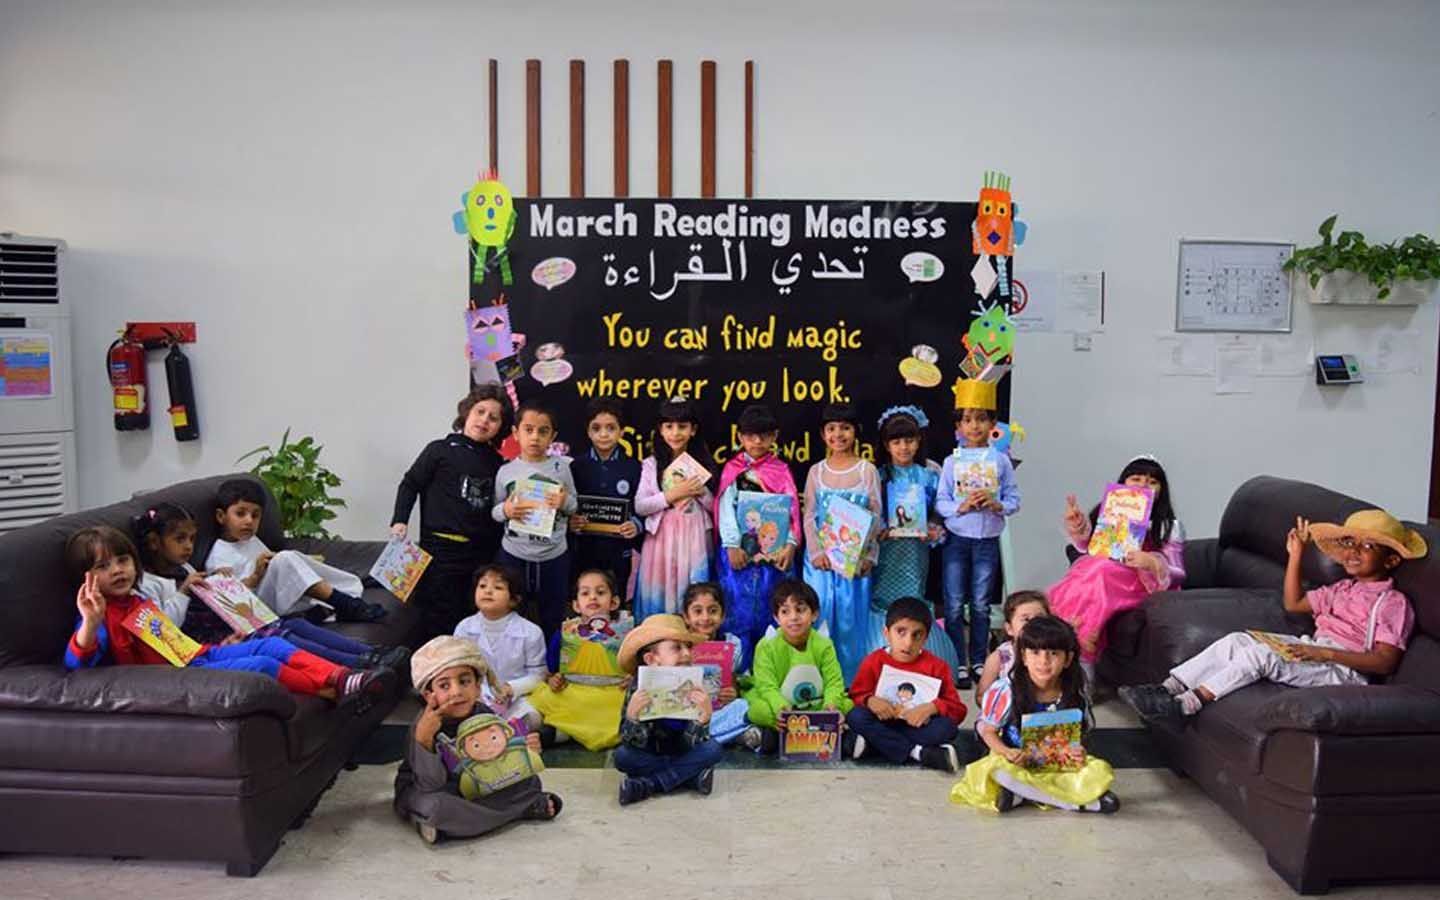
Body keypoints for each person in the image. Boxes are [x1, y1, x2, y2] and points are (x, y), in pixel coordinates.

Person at [1122, 510, 1422, 721]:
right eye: (1350, 543)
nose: (1354, 551)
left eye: (1367, 546)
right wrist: (1296, 555)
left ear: (1391, 560)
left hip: (1345, 670)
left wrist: (1323, 654)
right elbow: (1294, 603)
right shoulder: (1342, 588)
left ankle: (1187, 705)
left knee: (1260, 656)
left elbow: (1385, 661)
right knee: (1238, 640)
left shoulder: (1392, 602)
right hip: (1315, 650)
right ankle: (1167, 689)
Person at [63, 525, 392, 702]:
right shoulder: (98, 615)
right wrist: (90, 624)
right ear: (85, 577)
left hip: (196, 656)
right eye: (103, 566)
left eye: (123, 560)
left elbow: (172, 642)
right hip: (171, 679)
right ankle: (331, 689)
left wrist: (221, 645)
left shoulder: (137, 600)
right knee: (262, 665)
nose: (117, 570)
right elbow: (76, 665)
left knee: (273, 644)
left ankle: (342, 676)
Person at [133, 502, 404, 670]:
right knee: (280, 637)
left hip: (235, 621)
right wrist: (184, 592)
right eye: (180, 539)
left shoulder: (185, 568)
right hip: (211, 641)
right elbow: (164, 630)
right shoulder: (148, 584)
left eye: (192, 539)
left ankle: (369, 652)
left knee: (294, 624)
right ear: (155, 542)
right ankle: (357, 663)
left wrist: (216, 580)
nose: (189, 547)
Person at [395, 636, 561, 844]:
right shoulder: (424, 725)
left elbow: (503, 758)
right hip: (438, 788)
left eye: (464, 682)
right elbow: (430, 784)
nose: (457, 692)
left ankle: (462, 824)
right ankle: (519, 810)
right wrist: (425, 739)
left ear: (477, 687)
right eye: (444, 686)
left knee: (530, 781)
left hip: (480, 783)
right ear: (429, 695)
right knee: (435, 806)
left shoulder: (483, 713)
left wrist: (525, 748)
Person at [950, 615, 1119, 814]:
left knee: (1099, 769)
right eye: (1035, 652)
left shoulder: (1074, 693)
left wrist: (1077, 751)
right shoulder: (1006, 690)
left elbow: (1077, 734)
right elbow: (988, 731)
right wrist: (1007, 751)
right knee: (996, 770)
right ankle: (1076, 803)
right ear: (1023, 657)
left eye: (1053, 653)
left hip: (1056, 764)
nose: (1044, 661)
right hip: (1016, 760)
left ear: (1068, 659)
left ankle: (1021, 794)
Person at [1047, 454, 1183, 682]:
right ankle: (1063, 643)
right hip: (1104, 573)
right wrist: (1078, 526)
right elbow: (1089, 549)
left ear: (1161, 489)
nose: (1143, 485)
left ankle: (1083, 658)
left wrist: (1152, 562)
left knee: (1100, 571)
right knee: (1089, 573)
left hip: (1142, 583)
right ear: (1123, 482)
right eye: (1136, 479)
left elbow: (1179, 573)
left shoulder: (1169, 526)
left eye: (1152, 481)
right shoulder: (1110, 512)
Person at [392, 384, 511, 641]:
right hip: (439, 552)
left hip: (480, 555)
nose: (484, 420)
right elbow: (410, 484)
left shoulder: (498, 464)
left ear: (500, 427)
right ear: (467, 412)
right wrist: (400, 521)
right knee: (437, 620)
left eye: (493, 418)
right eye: (480, 412)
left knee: (472, 620)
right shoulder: (439, 450)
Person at [935, 380, 1020, 690]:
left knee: (982, 604)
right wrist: (961, 507)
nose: (974, 426)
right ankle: (958, 660)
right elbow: (941, 502)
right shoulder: (951, 462)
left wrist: (997, 505)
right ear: (958, 426)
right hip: (957, 541)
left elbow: (1014, 500)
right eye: (968, 420)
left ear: (992, 424)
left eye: (981, 419)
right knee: (954, 604)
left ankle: (980, 659)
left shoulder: (1000, 461)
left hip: (987, 542)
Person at [205, 479, 384, 623]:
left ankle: (348, 590)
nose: (249, 521)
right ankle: (347, 604)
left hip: (277, 595)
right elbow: (232, 603)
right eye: (240, 513)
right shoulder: (218, 558)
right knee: (285, 558)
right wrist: (255, 577)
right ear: (221, 516)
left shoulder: (251, 540)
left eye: (255, 515)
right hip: (258, 609)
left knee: (291, 558)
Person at [715, 404, 801, 671]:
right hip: (738, 556)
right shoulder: (733, 469)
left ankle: (770, 672)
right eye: (750, 435)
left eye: (764, 435)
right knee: (735, 610)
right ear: (740, 437)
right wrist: (731, 545)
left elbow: (792, 511)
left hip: (772, 559)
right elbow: (725, 509)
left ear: (774, 436)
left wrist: (790, 543)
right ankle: (736, 673)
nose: (757, 441)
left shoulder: (781, 470)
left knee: (771, 609)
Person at [802, 402, 882, 680]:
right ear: (823, 434)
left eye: (845, 428)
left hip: (853, 561)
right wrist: (816, 552)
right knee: (820, 614)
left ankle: (850, 679)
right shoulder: (816, 472)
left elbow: (876, 515)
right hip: (822, 562)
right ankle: (816, 677)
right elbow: (809, 514)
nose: (838, 434)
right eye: (832, 428)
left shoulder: (866, 471)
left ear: (855, 431)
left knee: (850, 618)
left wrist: (868, 555)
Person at [613, 614, 723, 805]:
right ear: (651, 659)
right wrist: (632, 717)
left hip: (682, 751)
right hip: (649, 753)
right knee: (623, 756)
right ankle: (688, 778)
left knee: (713, 749)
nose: (687, 654)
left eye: (688, 647)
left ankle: (649, 784)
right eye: (676, 648)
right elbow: (631, 742)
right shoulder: (638, 688)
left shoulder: (694, 685)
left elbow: (694, 743)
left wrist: (703, 719)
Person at [846, 597, 965, 772]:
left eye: (917, 635)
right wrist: (870, 700)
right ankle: (918, 753)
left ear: (926, 638)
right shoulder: (873, 661)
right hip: (884, 722)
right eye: (901, 632)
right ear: (886, 633)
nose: (908, 643)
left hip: (917, 726)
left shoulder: (937, 666)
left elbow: (958, 710)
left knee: (947, 728)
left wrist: (932, 707)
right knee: (856, 716)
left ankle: (874, 745)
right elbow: (855, 695)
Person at [492, 399, 578, 638]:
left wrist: (564, 502)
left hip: (553, 556)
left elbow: (574, 505)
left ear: (553, 436)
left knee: (553, 618)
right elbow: (494, 511)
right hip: (514, 554)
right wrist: (506, 511)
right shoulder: (506, 471)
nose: (535, 437)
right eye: (528, 430)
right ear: (515, 433)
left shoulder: (562, 467)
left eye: (543, 431)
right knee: (510, 616)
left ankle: (551, 660)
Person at [526, 569, 633, 750]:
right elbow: (552, 668)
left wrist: (632, 678)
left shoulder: (627, 632)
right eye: (585, 593)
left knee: (620, 707)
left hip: (613, 691)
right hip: (575, 690)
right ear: (576, 605)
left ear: (614, 602)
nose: (593, 597)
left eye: (600, 592)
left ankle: (561, 733)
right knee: (561, 700)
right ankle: (560, 732)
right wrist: (553, 679)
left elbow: (636, 663)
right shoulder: (566, 632)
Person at [742, 579, 852, 749]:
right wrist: (780, 707)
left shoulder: (824, 644)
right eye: (785, 611)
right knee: (758, 710)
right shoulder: (766, 645)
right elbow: (766, 686)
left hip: (815, 704)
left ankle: (780, 735)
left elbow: (834, 681)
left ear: (814, 614)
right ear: (776, 618)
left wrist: (831, 706)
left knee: (848, 705)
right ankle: (784, 728)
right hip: (780, 704)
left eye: (800, 610)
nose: (793, 617)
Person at [634, 397, 715, 618]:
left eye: (682, 426)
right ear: (660, 430)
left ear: (693, 430)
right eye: (669, 426)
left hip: (695, 537)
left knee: (694, 588)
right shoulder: (651, 464)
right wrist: (672, 494)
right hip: (661, 538)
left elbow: (714, 508)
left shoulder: (703, 464)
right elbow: (640, 506)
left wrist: (701, 492)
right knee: (661, 590)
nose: (675, 433)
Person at [453, 564, 547, 734]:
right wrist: (478, 694)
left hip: (517, 698)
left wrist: (511, 688)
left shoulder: (531, 632)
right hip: (476, 696)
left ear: (514, 599)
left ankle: (503, 733)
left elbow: (539, 675)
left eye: (498, 587)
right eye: (482, 586)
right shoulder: (464, 628)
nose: (488, 591)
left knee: (533, 716)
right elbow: (458, 671)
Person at [569, 398, 643, 605]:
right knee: (586, 600)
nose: (603, 434)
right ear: (588, 431)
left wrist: (636, 525)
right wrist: (570, 522)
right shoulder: (575, 467)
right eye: (597, 428)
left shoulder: (634, 467)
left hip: (619, 550)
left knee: (616, 600)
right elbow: (566, 506)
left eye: (611, 428)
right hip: (584, 549)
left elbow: (642, 507)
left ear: (622, 431)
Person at [680, 582, 763, 749]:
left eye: (713, 611)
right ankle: (732, 736)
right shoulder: (679, 645)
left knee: (743, 706)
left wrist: (732, 693)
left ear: (723, 615)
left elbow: (733, 681)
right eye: (697, 611)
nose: (705, 618)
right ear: (686, 616)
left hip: (718, 711)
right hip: (687, 712)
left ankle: (709, 736)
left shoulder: (731, 644)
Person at [975, 590, 1050, 703]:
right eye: (1026, 619)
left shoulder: (1055, 651)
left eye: (1039, 618)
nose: (1034, 624)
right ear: (1009, 628)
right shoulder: (1000, 657)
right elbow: (981, 696)